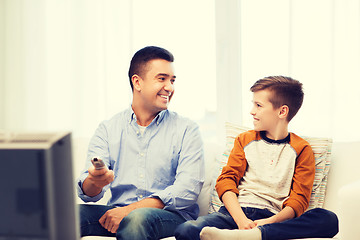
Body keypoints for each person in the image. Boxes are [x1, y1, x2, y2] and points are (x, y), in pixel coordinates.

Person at [175, 76, 339, 240]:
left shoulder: (302, 149)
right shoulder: (244, 140)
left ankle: (255, 235)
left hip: (273, 220)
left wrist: (269, 222)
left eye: (258, 105)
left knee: (328, 220)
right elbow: (226, 181)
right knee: (185, 230)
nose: (252, 111)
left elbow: (299, 200)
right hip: (235, 215)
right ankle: (246, 235)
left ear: (282, 111)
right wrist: (241, 221)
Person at [77, 46, 205, 239]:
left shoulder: (187, 129)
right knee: (72, 216)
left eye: (172, 80)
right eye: (162, 79)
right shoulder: (108, 128)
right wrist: (95, 181)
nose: (170, 87)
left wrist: (130, 210)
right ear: (137, 82)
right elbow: (88, 193)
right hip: (117, 213)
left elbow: (186, 190)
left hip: (169, 217)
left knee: (137, 218)